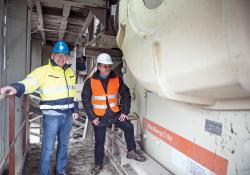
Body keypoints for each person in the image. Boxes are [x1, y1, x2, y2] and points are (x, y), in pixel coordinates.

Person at [0, 41, 79, 175]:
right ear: (52, 55)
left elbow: (73, 93)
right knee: (48, 148)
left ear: (67, 57)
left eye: (64, 55)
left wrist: (75, 109)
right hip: (52, 117)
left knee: (64, 146)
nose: (61, 58)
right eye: (58, 55)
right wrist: (16, 87)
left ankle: (61, 170)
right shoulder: (43, 71)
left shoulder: (70, 72)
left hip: (68, 115)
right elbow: (30, 82)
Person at [81, 53, 146, 175]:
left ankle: (131, 151)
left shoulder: (116, 79)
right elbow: (85, 99)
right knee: (99, 141)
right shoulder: (90, 81)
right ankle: (98, 164)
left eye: (109, 66)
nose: (107, 69)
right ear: (99, 67)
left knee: (128, 127)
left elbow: (126, 94)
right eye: (105, 66)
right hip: (99, 116)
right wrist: (92, 117)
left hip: (114, 114)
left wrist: (125, 112)